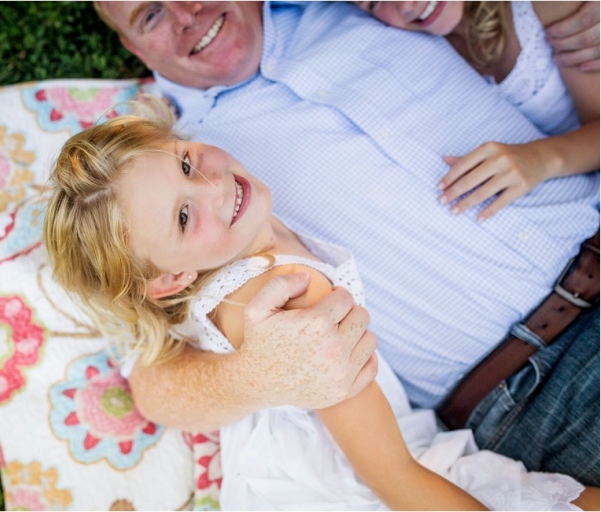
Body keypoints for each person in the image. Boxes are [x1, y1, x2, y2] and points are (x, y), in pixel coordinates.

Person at [94, 1, 600, 485]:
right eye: (153, 14)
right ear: (132, 46)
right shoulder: (158, 180)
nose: (188, 14)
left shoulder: (363, 6)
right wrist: (258, 374)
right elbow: (153, 382)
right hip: (536, 388)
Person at [42, 108, 597, 510]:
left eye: (185, 163)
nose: (213, 186)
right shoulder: (293, 292)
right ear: (170, 280)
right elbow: (391, 475)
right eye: (183, 218)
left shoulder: (221, 278)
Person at [355, 1, 599, 222]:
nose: (406, 5)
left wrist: (541, 158)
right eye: (375, 2)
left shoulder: (544, 7)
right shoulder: (418, 46)